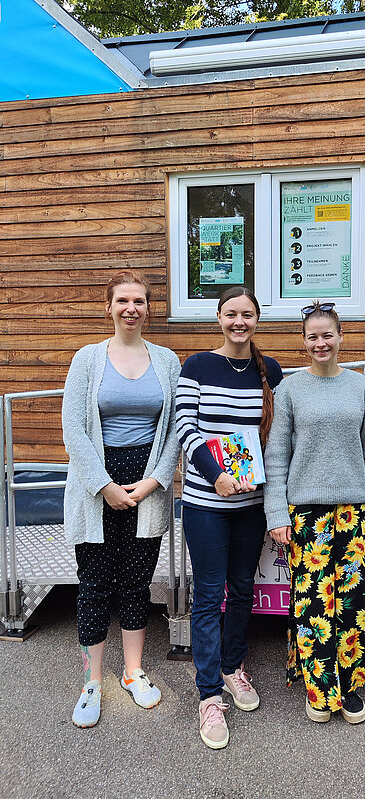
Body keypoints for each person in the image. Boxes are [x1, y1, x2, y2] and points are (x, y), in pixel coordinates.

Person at [62, 270, 181, 728]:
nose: (131, 308)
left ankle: (132, 672)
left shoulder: (167, 361)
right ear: (108, 306)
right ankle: (92, 680)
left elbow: (173, 429)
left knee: (135, 582)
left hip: (146, 486)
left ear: (149, 309)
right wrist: (103, 485)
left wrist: (154, 481)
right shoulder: (87, 359)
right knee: (94, 583)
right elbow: (74, 427)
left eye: (140, 301)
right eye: (123, 300)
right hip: (98, 487)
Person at [264, 301, 365, 725]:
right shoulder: (290, 392)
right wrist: (276, 513)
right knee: (313, 606)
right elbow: (277, 455)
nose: (321, 342)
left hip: (353, 512)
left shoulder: (360, 389)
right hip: (306, 515)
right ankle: (320, 690)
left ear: (340, 337)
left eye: (327, 334)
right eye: (312, 336)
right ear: (303, 342)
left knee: (354, 604)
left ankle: (351, 686)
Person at [176, 287, 283, 750]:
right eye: (230, 313)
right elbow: (185, 427)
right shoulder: (197, 366)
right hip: (205, 503)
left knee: (242, 591)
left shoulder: (270, 371)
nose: (239, 321)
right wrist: (216, 475)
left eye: (247, 314)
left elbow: (278, 433)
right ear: (219, 318)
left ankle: (233, 667)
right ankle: (207, 696)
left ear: (256, 320)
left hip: (251, 507)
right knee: (207, 596)